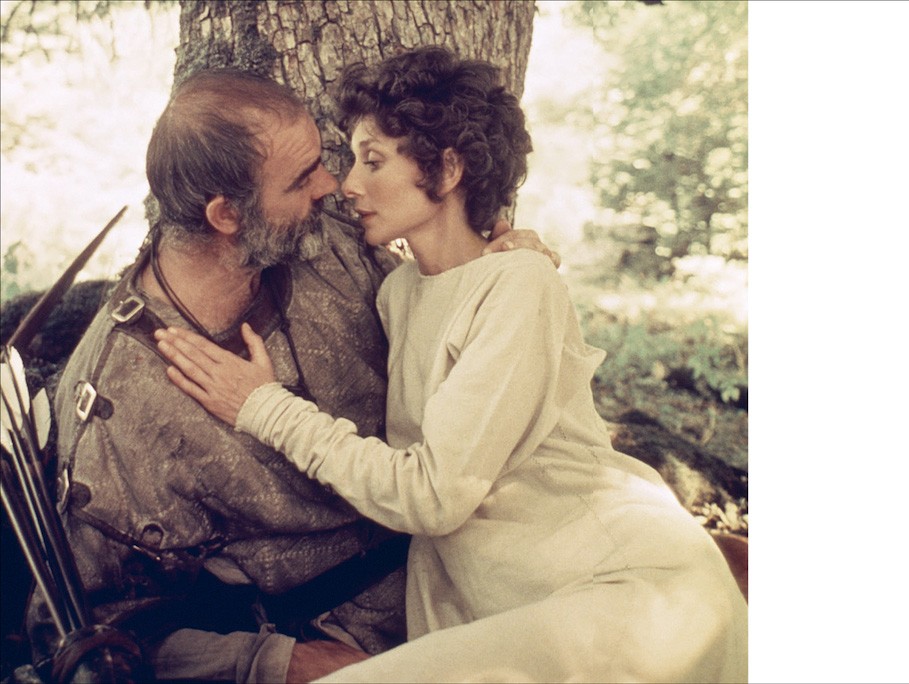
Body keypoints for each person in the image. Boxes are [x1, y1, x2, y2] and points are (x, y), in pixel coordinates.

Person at [156, 46, 749, 683]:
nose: (348, 184)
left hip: (623, 588)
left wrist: (265, 408)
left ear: (446, 169)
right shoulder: (398, 293)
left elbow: (434, 495)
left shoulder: (520, 282)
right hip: (512, 608)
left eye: (373, 161)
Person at [30, 65, 556, 683]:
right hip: (353, 646)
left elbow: (444, 335)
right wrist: (277, 662)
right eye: (302, 178)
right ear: (226, 214)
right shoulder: (123, 398)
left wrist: (493, 272)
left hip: (477, 569)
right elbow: (86, 634)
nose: (332, 185)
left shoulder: (324, 242)